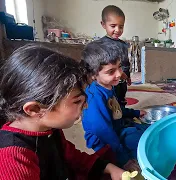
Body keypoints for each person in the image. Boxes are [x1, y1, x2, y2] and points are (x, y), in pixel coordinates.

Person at [0, 45, 125, 180]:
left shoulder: (49, 128)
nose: (86, 105)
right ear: (34, 109)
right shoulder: (13, 159)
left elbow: (70, 156)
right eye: (77, 101)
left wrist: (108, 168)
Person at [81, 39, 147, 172]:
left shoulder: (108, 86)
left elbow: (115, 109)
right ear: (94, 75)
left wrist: (134, 113)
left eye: (119, 67)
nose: (119, 74)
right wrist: (124, 159)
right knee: (142, 146)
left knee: (149, 130)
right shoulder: (94, 97)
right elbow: (104, 132)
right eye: (111, 71)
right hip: (104, 141)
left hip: (117, 127)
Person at [100, 5, 131, 106]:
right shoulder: (100, 44)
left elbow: (126, 62)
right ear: (103, 24)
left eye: (121, 26)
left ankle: (122, 113)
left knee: (121, 97)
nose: (118, 30)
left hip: (122, 80)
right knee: (109, 99)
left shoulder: (123, 45)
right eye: (113, 26)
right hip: (109, 79)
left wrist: (128, 76)